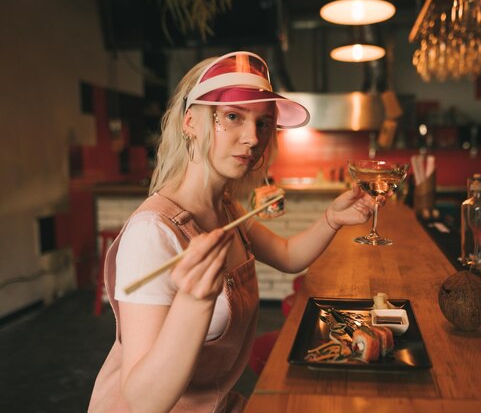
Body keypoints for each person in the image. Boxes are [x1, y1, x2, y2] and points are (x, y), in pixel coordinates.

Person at [88, 51, 378, 413]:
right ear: (191, 121)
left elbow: (288, 256)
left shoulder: (227, 209)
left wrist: (331, 219)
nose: (252, 138)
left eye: (264, 123)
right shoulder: (152, 233)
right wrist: (194, 302)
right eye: (233, 117)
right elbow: (143, 401)